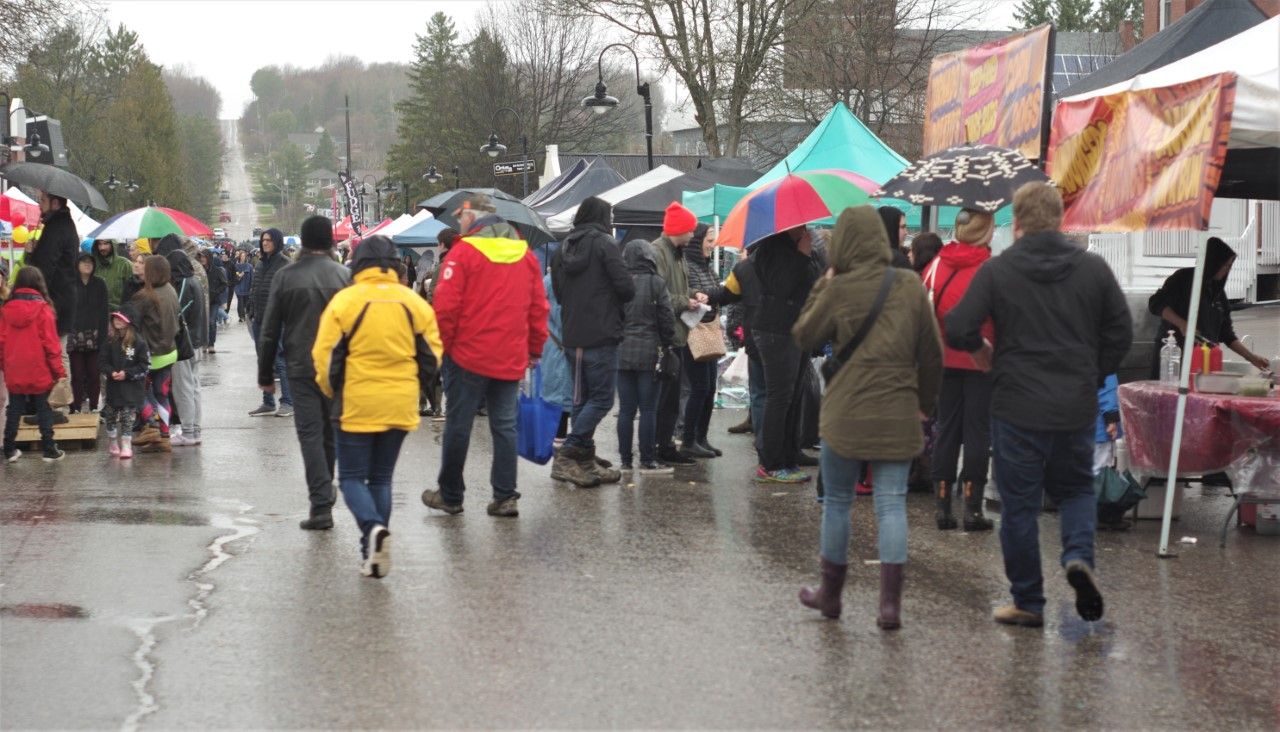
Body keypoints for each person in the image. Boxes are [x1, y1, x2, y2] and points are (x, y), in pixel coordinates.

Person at [945, 182, 1132, 627]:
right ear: (1060, 218)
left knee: (1020, 505)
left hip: (1016, 403)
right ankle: (1078, 556)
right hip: (1073, 402)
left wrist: (980, 352)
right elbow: (1120, 333)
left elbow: (957, 326)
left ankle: (1029, 601)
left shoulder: (999, 270)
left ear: (1019, 219)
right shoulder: (1093, 269)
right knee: (1075, 490)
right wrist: (1091, 371)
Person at [794, 205, 943, 628]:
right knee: (891, 504)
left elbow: (804, 335)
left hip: (845, 413)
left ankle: (831, 596)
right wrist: (924, 405)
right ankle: (890, 606)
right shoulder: (910, 286)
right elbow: (931, 353)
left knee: (837, 503)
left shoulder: (839, 287)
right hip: (897, 410)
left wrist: (823, 287)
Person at [313, 235, 442, 578]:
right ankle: (371, 553)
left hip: (355, 402)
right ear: (396, 264)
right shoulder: (413, 303)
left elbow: (323, 357)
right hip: (400, 403)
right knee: (381, 478)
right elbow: (433, 355)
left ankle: (371, 530)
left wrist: (330, 391)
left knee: (352, 478)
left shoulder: (345, 302)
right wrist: (416, 387)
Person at [421, 194, 548, 517]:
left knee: (459, 425)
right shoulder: (525, 256)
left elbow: (446, 307)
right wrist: (534, 348)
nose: (460, 221)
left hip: (467, 355)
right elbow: (538, 307)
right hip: (510, 355)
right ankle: (505, 496)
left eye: (463, 216)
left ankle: (451, 495)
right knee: (505, 426)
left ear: (473, 219)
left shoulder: (463, 254)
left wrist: (442, 348)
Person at [706, 226, 819, 483]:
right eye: (799, 225)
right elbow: (780, 288)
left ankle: (788, 455)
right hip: (775, 331)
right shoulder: (770, 252)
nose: (804, 228)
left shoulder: (793, 251)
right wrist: (802, 256)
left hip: (794, 328)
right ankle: (771, 463)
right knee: (777, 396)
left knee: (791, 396)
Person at [261, 216, 353, 530]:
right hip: (338, 367)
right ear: (330, 241)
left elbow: (270, 329)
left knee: (311, 434)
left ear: (301, 241)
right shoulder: (344, 276)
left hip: (301, 366)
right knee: (330, 433)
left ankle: (321, 502)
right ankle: (324, 491)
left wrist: (265, 373)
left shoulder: (286, 277)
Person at [550, 196, 635, 487]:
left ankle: (584, 460)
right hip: (601, 333)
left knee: (581, 399)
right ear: (603, 217)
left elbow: (559, 294)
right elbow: (626, 288)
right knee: (601, 399)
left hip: (572, 335)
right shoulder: (606, 244)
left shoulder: (562, 248)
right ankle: (568, 453)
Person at [924, 210, 997, 532]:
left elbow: (922, 305)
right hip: (982, 359)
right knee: (977, 433)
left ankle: (942, 507)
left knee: (947, 430)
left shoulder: (937, 264)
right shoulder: (991, 269)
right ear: (986, 233)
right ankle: (972, 508)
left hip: (942, 358)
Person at [1147, 236, 1270, 375]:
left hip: (1202, 363)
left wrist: (1252, 358)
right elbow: (1156, 303)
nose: (1227, 270)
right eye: (1225, 265)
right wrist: (1182, 324)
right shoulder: (1183, 278)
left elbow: (1227, 335)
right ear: (1213, 261)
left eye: (1229, 266)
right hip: (1172, 360)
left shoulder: (1218, 294)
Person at [617, 240, 676, 473]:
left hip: (621, 352)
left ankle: (624, 460)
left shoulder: (619, 283)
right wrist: (667, 342)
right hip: (650, 352)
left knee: (626, 410)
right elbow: (667, 318)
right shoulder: (656, 283)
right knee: (648, 409)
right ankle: (647, 459)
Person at [651, 202, 701, 466]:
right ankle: (659, 446)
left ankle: (666, 444)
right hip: (665, 336)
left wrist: (693, 295)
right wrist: (685, 301)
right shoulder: (658, 252)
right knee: (664, 397)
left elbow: (677, 288)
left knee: (671, 397)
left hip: (678, 333)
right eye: (690, 230)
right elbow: (657, 294)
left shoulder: (678, 254)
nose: (693, 235)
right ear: (679, 230)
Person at [1, 267, 67, 462]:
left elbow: (1, 341)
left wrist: (5, 366)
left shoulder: (5, 309)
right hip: (39, 367)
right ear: (39, 283)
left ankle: (9, 449)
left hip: (14, 366)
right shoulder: (43, 310)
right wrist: (59, 372)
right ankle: (49, 448)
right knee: (44, 407)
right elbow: (51, 345)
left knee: (14, 407)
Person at [130, 255, 181, 452]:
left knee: (136, 390)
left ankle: (150, 425)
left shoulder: (144, 296)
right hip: (170, 351)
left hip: (150, 354)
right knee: (162, 394)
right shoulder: (171, 290)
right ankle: (165, 435)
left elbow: (129, 323)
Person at [681, 223, 723, 458]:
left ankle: (701, 438)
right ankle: (689, 439)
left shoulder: (707, 267)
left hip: (709, 330)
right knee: (699, 388)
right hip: (694, 332)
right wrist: (698, 294)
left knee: (709, 388)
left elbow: (717, 291)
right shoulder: (688, 266)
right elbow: (687, 290)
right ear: (698, 242)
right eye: (709, 240)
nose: (712, 244)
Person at [163, 245, 208, 447]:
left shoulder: (183, 284)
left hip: (184, 344)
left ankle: (188, 430)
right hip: (196, 342)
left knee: (183, 388)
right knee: (194, 387)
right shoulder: (196, 281)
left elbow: (177, 311)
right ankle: (195, 429)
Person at [249, 228, 294, 417]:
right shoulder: (260, 264)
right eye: (263, 240)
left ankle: (288, 402)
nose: (265, 243)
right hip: (259, 319)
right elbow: (254, 289)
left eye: (269, 240)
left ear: (276, 241)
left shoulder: (285, 264)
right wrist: (251, 311)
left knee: (280, 360)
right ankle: (268, 402)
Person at [99, 304, 150, 460]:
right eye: (115, 317)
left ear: (130, 321)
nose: (117, 321)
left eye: (121, 318)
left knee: (128, 416)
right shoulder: (109, 341)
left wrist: (127, 374)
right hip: (113, 388)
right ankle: (113, 441)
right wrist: (111, 372)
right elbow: (102, 361)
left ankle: (127, 445)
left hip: (131, 388)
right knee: (110, 415)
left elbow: (144, 366)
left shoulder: (139, 342)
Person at [67, 253, 108, 413]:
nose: (87, 264)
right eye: (84, 261)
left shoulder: (100, 284)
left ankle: (93, 406)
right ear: (77, 264)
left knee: (94, 374)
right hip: (74, 335)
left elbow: (104, 311)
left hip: (95, 335)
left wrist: (104, 336)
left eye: (90, 262)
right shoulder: (70, 284)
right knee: (76, 375)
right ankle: (75, 406)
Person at [540, 270, 574, 444]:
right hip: (561, 344)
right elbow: (563, 317)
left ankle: (558, 437)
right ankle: (561, 441)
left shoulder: (547, 280)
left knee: (557, 391)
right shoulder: (563, 281)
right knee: (564, 394)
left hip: (550, 342)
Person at [198, 250, 228, 353]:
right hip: (201, 301)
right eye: (201, 257)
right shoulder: (198, 271)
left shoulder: (216, 270)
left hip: (213, 301)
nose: (202, 259)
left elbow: (224, 284)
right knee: (203, 323)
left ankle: (211, 344)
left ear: (209, 258)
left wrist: (215, 292)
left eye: (204, 257)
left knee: (211, 322)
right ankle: (204, 344)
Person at [92, 240, 134, 311]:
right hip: (96, 313)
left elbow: (132, 291)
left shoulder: (124, 264)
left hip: (118, 314)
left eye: (106, 243)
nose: (102, 248)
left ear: (113, 245)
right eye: (99, 244)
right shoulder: (93, 264)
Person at [876, 206, 914, 270]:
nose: (906, 232)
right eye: (902, 227)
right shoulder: (898, 261)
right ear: (890, 228)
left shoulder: (860, 258)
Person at [233, 250, 254, 322]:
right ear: (239, 257)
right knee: (240, 303)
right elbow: (234, 278)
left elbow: (252, 277)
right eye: (241, 256)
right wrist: (239, 276)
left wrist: (252, 287)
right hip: (239, 287)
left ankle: (246, 314)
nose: (243, 257)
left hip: (247, 287)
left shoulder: (249, 266)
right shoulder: (236, 266)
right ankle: (241, 316)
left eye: (244, 256)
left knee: (247, 302)